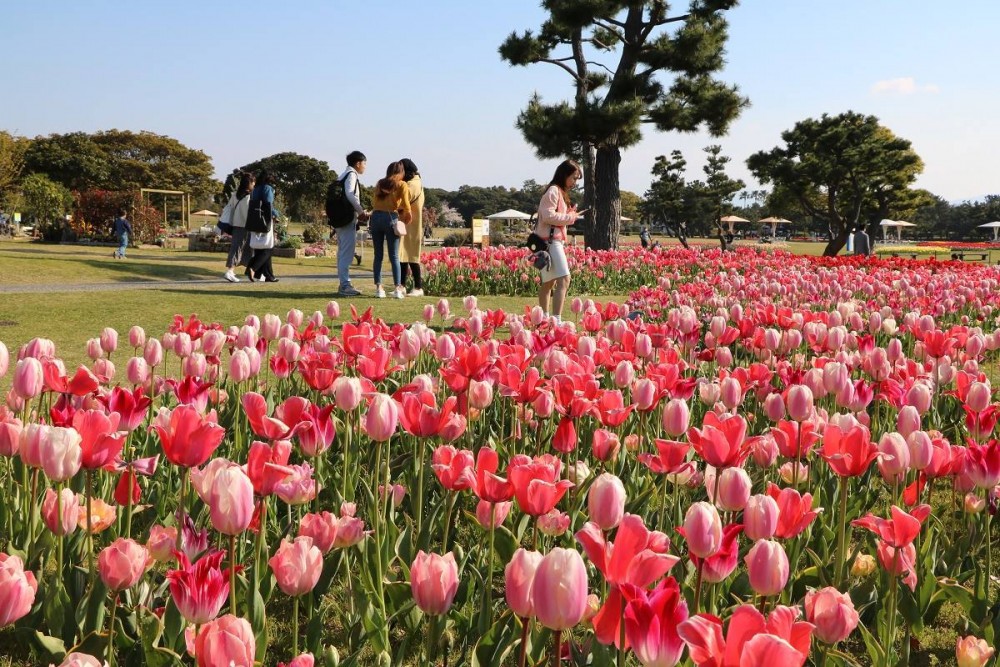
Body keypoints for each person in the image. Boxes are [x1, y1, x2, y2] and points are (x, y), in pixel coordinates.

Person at [535, 159, 584, 323]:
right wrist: (570, 217)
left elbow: (552, 215)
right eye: (574, 178)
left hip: (547, 241)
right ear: (564, 174)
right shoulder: (553, 191)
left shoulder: (558, 191)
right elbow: (548, 216)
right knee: (564, 279)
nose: (575, 182)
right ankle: (556, 319)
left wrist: (569, 214)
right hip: (550, 242)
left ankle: (544, 318)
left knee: (548, 282)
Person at [369, 161, 411, 299]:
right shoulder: (401, 184)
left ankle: (379, 288)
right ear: (401, 172)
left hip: (375, 218)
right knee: (394, 256)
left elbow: (374, 202)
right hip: (391, 218)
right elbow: (406, 204)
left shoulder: (380, 183)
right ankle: (398, 288)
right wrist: (406, 216)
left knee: (378, 255)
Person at [334, 151, 369, 297]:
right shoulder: (352, 175)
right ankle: (345, 285)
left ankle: (343, 283)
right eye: (364, 163)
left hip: (339, 218)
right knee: (347, 253)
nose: (365, 166)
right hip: (347, 218)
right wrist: (360, 211)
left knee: (342, 252)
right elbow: (350, 194)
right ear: (358, 163)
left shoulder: (342, 175)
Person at [245, 170, 280, 283]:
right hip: (265, 220)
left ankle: (269, 275)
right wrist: (276, 214)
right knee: (269, 247)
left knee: (260, 248)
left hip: (254, 219)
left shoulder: (255, 189)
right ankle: (252, 268)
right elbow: (268, 204)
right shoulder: (268, 188)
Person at [398, 158, 425, 297]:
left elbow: (401, 201)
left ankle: (418, 287)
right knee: (403, 256)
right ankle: (402, 285)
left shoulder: (413, 184)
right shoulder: (415, 182)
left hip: (410, 224)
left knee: (412, 256)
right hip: (408, 224)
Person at [223, 172, 254, 282]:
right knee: (239, 248)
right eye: (253, 183)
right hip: (246, 225)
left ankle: (251, 271)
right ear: (249, 183)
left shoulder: (235, 194)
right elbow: (249, 212)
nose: (254, 185)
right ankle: (230, 271)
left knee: (242, 248)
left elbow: (230, 208)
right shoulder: (250, 196)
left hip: (236, 224)